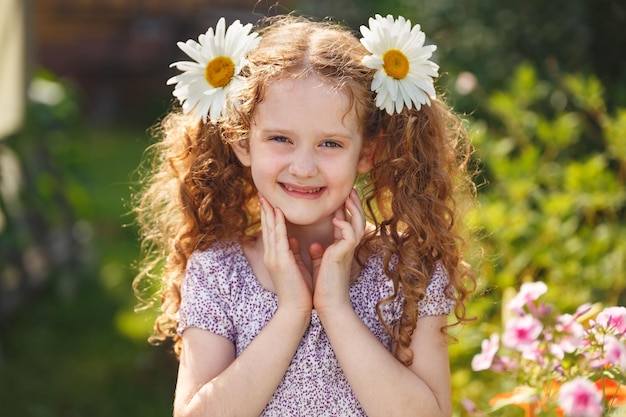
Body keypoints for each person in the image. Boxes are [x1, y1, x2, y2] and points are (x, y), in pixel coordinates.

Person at [133, 13, 476, 417]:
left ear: (367, 152)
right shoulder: (218, 273)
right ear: (242, 141)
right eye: (281, 139)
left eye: (330, 143)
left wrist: (334, 307)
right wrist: (292, 311)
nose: (303, 166)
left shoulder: (408, 270)